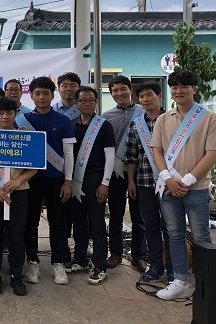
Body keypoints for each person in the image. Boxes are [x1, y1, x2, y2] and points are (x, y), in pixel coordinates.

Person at [152, 70, 216, 300]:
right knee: (174, 234)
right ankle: (180, 281)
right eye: (174, 87)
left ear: (194, 88)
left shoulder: (209, 118)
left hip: (196, 189)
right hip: (169, 188)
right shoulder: (164, 119)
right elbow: (157, 150)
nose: (178, 91)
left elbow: (213, 153)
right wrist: (168, 178)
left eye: (184, 86)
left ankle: (205, 286)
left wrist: (187, 180)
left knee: (201, 237)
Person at [17, 76, 75, 286]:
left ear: (53, 95)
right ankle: (32, 261)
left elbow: (68, 153)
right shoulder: (22, 120)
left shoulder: (62, 120)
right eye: (37, 93)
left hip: (56, 179)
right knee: (30, 222)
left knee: (58, 222)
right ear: (31, 95)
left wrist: (68, 182)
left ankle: (58, 262)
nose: (41, 97)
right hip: (29, 180)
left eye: (46, 93)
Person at [0, 97, 36, 296]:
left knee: (17, 236)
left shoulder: (25, 137)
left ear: (15, 115)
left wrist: (18, 181)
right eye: (1, 113)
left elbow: (33, 168)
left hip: (18, 194)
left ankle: (16, 276)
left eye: (9, 113)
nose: (5, 116)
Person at [124, 82, 172, 283]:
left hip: (170, 183)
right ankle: (155, 265)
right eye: (141, 97)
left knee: (170, 227)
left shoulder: (172, 120)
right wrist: (131, 182)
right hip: (143, 181)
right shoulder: (137, 124)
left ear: (159, 96)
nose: (145, 100)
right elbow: (131, 156)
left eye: (149, 96)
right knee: (150, 225)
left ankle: (173, 267)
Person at [67, 86, 115, 285]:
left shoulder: (104, 125)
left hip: (96, 178)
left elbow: (110, 156)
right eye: (83, 100)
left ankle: (100, 266)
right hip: (76, 177)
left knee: (97, 223)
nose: (87, 103)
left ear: (96, 102)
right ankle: (80, 259)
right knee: (78, 221)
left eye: (91, 100)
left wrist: (105, 183)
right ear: (76, 104)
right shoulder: (71, 125)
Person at [102, 75, 146, 272]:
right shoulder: (106, 116)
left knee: (139, 215)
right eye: (114, 91)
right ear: (111, 94)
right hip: (115, 172)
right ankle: (116, 253)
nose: (119, 93)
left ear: (130, 90)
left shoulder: (144, 112)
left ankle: (138, 255)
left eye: (122, 89)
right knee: (116, 213)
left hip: (142, 171)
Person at [52, 72, 81, 263]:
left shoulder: (85, 109)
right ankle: (62, 251)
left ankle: (80, 251)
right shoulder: (51, 110)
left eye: (72, 85)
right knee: (60, 214)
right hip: (56, 168)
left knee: (78, 213)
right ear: (58, 88)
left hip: (82, 166)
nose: (68, 89)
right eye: (64, 85)